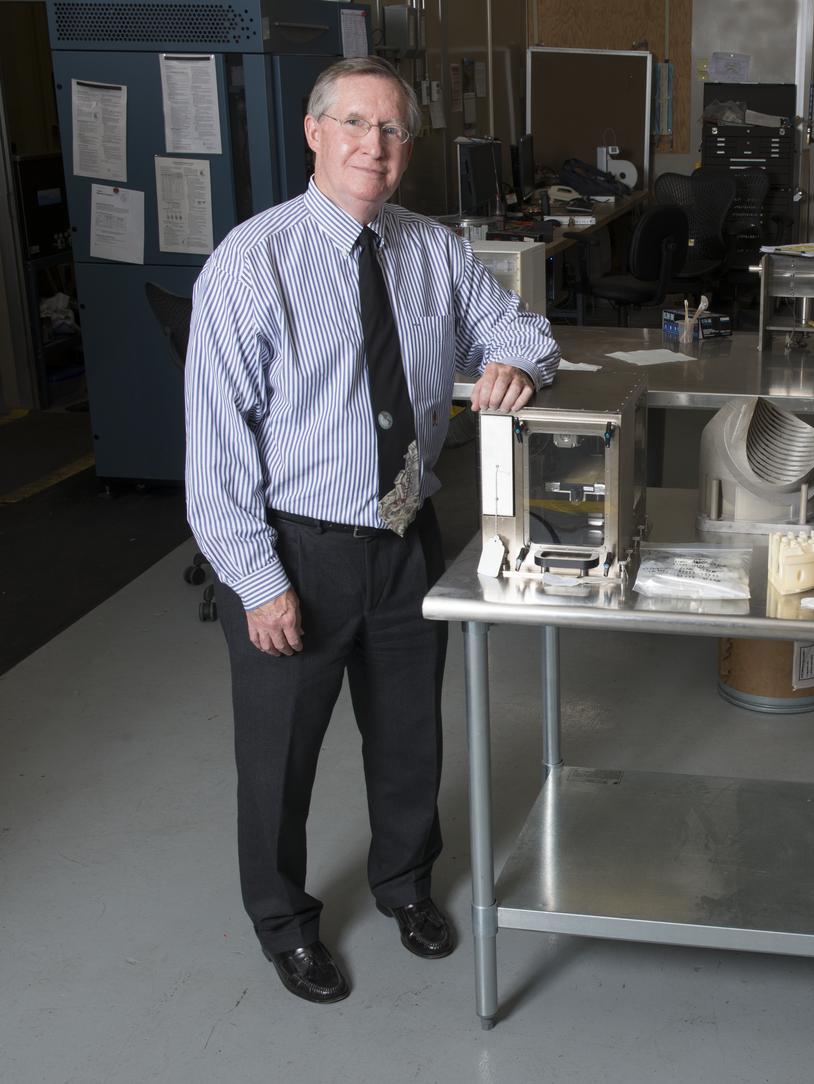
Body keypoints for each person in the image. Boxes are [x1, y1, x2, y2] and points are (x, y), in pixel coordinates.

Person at [185, 55, 559, 1004]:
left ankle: (405, 885)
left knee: (408, 739)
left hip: (404, 542)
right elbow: (217, 450)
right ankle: (282, 923)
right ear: (314, 133)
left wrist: (517, 365)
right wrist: (255, 579)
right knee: (279, 757)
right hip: (294, 552)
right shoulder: (250, 261)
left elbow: (526, 330)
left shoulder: (432, 250)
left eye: (392, 130)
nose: (375, 146)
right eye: (355, 124)